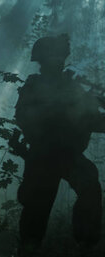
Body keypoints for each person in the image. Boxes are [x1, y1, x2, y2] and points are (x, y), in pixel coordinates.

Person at [15, 34, 105, 256]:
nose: (58, 61)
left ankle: (85, 246)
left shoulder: (74, 87)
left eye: (60, 56)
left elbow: (95, 120)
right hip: (44, 156)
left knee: (89, 187)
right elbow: (24, 119)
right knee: (36, 212)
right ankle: (31, 249)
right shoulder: (36, 87)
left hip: (64, 155)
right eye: (55, 56)